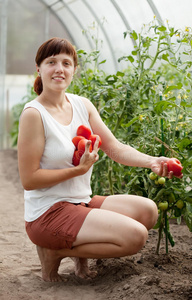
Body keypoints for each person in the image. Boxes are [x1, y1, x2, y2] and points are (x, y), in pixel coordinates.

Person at [18, 37, 181, 283]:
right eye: (51, 62)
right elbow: (29, 180)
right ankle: (54, 251)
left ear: (74, 70)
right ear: (39, 69)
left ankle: (75, 253)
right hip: (48, 212)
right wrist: (78, 170)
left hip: (80, 202)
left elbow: (114, 148)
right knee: (135, 237)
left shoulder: (83, 105)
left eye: (66, 62)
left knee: (148, 211)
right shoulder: (34, 114)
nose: (59, 69)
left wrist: (152, 161)